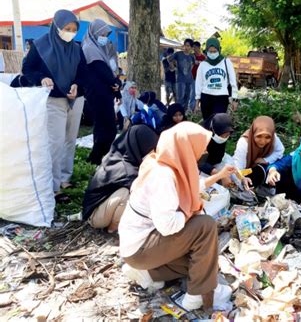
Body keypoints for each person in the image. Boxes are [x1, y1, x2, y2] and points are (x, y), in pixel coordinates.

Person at [118, 122, 235, 311]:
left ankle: (149, 274)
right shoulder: (163, 176)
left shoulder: (163, 162)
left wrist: (218, 176)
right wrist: (190, 213)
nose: (203, 152)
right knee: (205, 226)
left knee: (200, 262)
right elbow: (167, 226)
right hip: (141, 247)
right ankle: (196, 295)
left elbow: (190, 189)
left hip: (140, 245)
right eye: (200, 147)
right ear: (187, 147)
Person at [22, 9, 87, 201]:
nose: (70, 32)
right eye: (67, 28)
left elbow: (83, 73)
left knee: (70, 140)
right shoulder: (41, 45)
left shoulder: (76, 48)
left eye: (74, 29)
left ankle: (65, 178)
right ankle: (52, 186)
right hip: (53, 100)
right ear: (57, 26)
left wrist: (77, 85)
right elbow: (27, 69)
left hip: (75, 100)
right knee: (55, 143)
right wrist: (42, 78)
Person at [82, 125, 159, 233]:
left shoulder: (119, 156)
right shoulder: (125, 169)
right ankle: (113, 228)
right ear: (138, 146)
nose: (152, 154)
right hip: (95, 215)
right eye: (149, 150)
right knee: (130, 194)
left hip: (104, 206)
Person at [82, 19, 122, 165]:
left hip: (105, 92)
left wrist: (116, 84)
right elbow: (102, 70)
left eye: (106, 34)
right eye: (103, 34)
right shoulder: (89, 48)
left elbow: (111, 72)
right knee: (107, 127)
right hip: (97, 93)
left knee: (105, 126)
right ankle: (96, 157)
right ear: (95, 33)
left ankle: (100, 157)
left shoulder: (100, 49)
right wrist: (115, 83)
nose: (105, 37)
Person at [233, 116, 284, 190]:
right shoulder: (244, 142)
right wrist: (242, 178)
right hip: (244, 170)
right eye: (259, 136)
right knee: (246, 185)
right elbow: (238, 166)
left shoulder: (273, 138)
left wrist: (265, 160)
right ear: (253, 133)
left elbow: (280, 151)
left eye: (267, 137)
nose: (263, 141)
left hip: (261, 168)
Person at [194, 38, 239, 121]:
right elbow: (198, 84)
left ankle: (217, 134)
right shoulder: (203, 65)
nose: (212, 53)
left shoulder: (226, 62)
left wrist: (235, 99)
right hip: (206, 97)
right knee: (207, 122)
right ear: (206, 51)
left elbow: (233, 81)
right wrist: (197, 102)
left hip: (221, 97)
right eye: (210, 51)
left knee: (218, 122)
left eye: (214, 51)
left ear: (219, 50)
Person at [167, 39, 195, 112]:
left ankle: (184, 113)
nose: (186, 47)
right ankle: (178, 112)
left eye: (188, 46)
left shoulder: (192, 56)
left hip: (189, 79)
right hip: (180, 79)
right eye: (185, 45)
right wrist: (173, 67)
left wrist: (189, 71)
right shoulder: (178, 54)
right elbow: (169, 59)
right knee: (180, 97)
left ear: (191, 47)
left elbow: (193, 64)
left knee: (187, 97)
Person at [191, 41, 206, 111]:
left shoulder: (204, 57)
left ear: (199, 48)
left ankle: (198, 109)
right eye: (193, 48)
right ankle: (192, 110)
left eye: (195, 47)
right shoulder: (191, 56)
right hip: (192, 78)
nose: (194, 49)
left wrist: (200, 63)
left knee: (200, 95)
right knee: (193, 95)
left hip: (201, 79)